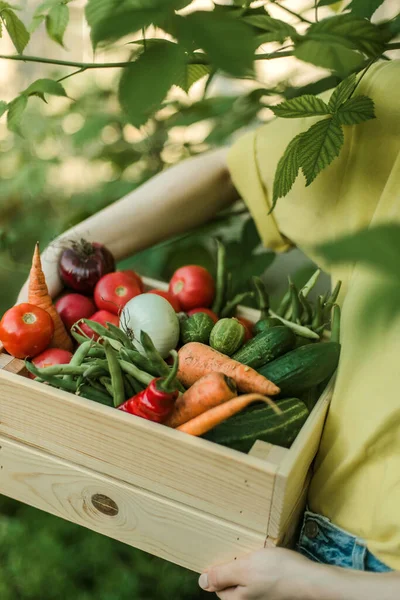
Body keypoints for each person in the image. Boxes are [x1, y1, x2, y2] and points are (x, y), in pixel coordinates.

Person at [17, 60, 400, 598]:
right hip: (318, 524)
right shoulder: (394, 98)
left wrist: (322, 586)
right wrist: (66, 256)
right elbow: (232, 170)